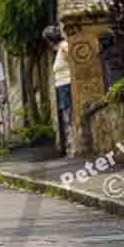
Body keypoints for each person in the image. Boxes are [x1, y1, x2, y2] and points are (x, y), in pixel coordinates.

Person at [43, 25, 73, 155]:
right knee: (67, 116)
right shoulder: (59, 49)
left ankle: (73, 145)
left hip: (67, 85)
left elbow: (73, 61)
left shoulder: (64, 46)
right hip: (62, 86)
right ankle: (71, 145)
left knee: (70, 116)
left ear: (51, 39)